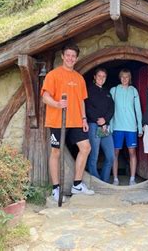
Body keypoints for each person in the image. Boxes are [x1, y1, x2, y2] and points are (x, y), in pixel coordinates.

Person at [41, 43, 94, 201]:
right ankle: (55, 189)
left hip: (76, 120)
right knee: (56, 152)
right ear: (63, 56)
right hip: (58, 121)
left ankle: (77, 185)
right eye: (68, 55)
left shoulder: (79, 78)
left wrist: (84, 118)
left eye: (73, 56)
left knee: (85, 148)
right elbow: (45, 97)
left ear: (76, 59)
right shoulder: (53, 75)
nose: (71, 58)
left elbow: (82, 101)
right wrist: (57, 104)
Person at [110, 69, 142, 186]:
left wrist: (139, 127)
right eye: (122, 77)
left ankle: (132, 178)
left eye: (127, 77)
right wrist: (110, 126)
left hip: (131, 127)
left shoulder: (133, 91)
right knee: (115, 153)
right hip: (117, 127)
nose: (124, 79)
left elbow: (138, 110)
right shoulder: (114, 90)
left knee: (132, 152)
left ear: (130, 78)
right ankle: (115, 179)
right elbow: (110, 109)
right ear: (120, 77)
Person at [85, 68, 115, 183]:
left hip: (105, 127)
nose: (101, 78)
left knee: (110, 156)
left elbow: (112, 108)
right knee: (94, 155)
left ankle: (105, 181)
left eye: (104, 76)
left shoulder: (107, 92)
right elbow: (87, 108)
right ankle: (96, 182)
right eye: (99, 76)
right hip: (94, 125)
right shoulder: (89, 90)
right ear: (94, 77)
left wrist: (105, 120)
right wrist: (99, 120)